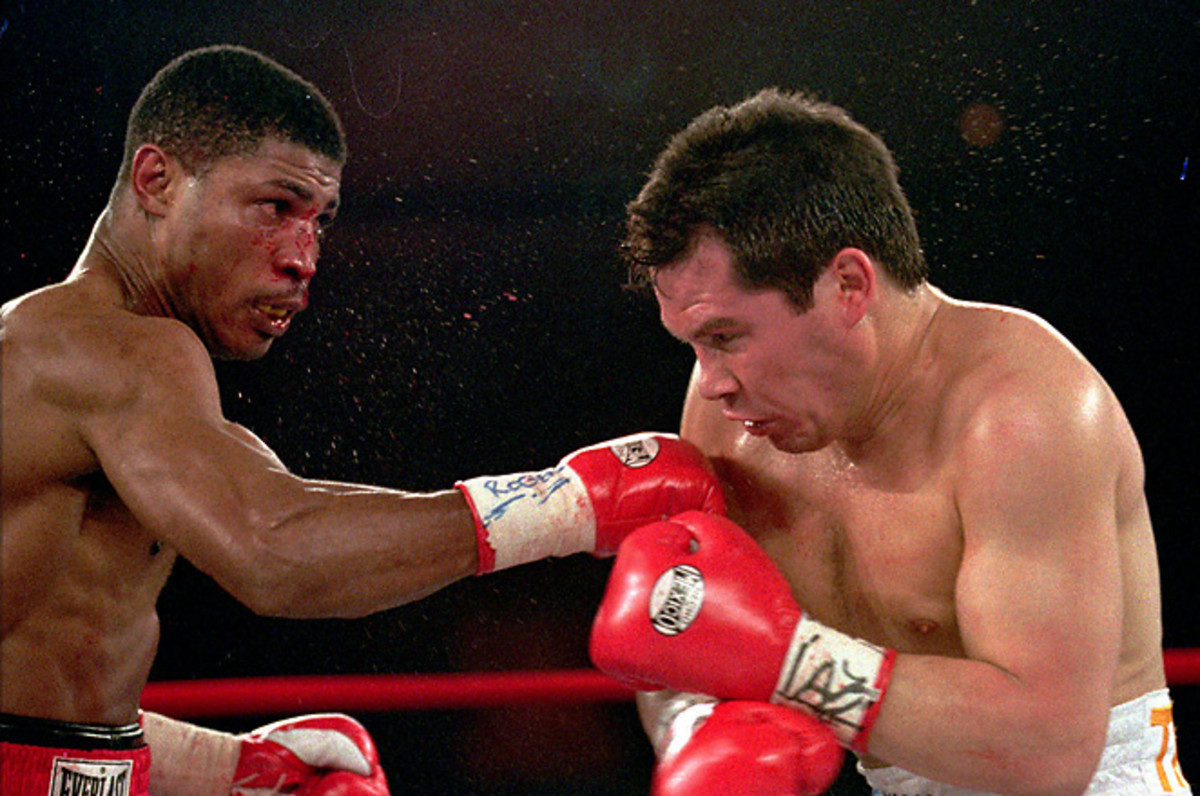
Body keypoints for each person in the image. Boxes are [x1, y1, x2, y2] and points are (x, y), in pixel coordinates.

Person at [0, 45, 726, 795]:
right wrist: (566, 505)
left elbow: (40, 700)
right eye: (275, 208)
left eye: (319, 222)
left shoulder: (86, 370)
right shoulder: (108, 350)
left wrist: (236, 767)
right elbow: (271, 549)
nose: (302, 258)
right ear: (157, 181)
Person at [589, 88, 1191, 795]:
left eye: (727, 338)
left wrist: (789, 664)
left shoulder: (1019, 412)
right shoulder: (735, 419)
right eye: (694, 346)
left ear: (848, 283)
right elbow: (684, 636)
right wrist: (695, 733)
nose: (712, 381)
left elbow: (1050, 751)